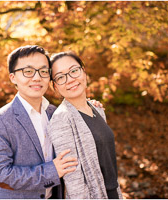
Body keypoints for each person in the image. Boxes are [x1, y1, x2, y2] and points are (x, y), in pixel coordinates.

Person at [0, 45, 78, 199]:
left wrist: (91, 107)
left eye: (43, 71)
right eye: (28, 71)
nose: (37, 77)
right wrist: (52, 171)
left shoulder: (56, 113)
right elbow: (0, 175)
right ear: (13, 77)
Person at [47, 51, 122, 199]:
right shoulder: (61, 119)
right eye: (61, 77)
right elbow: (73, 181)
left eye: (74, 70)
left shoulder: (98, 110)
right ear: (54, 86)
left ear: (84, 72)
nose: (70, 79)